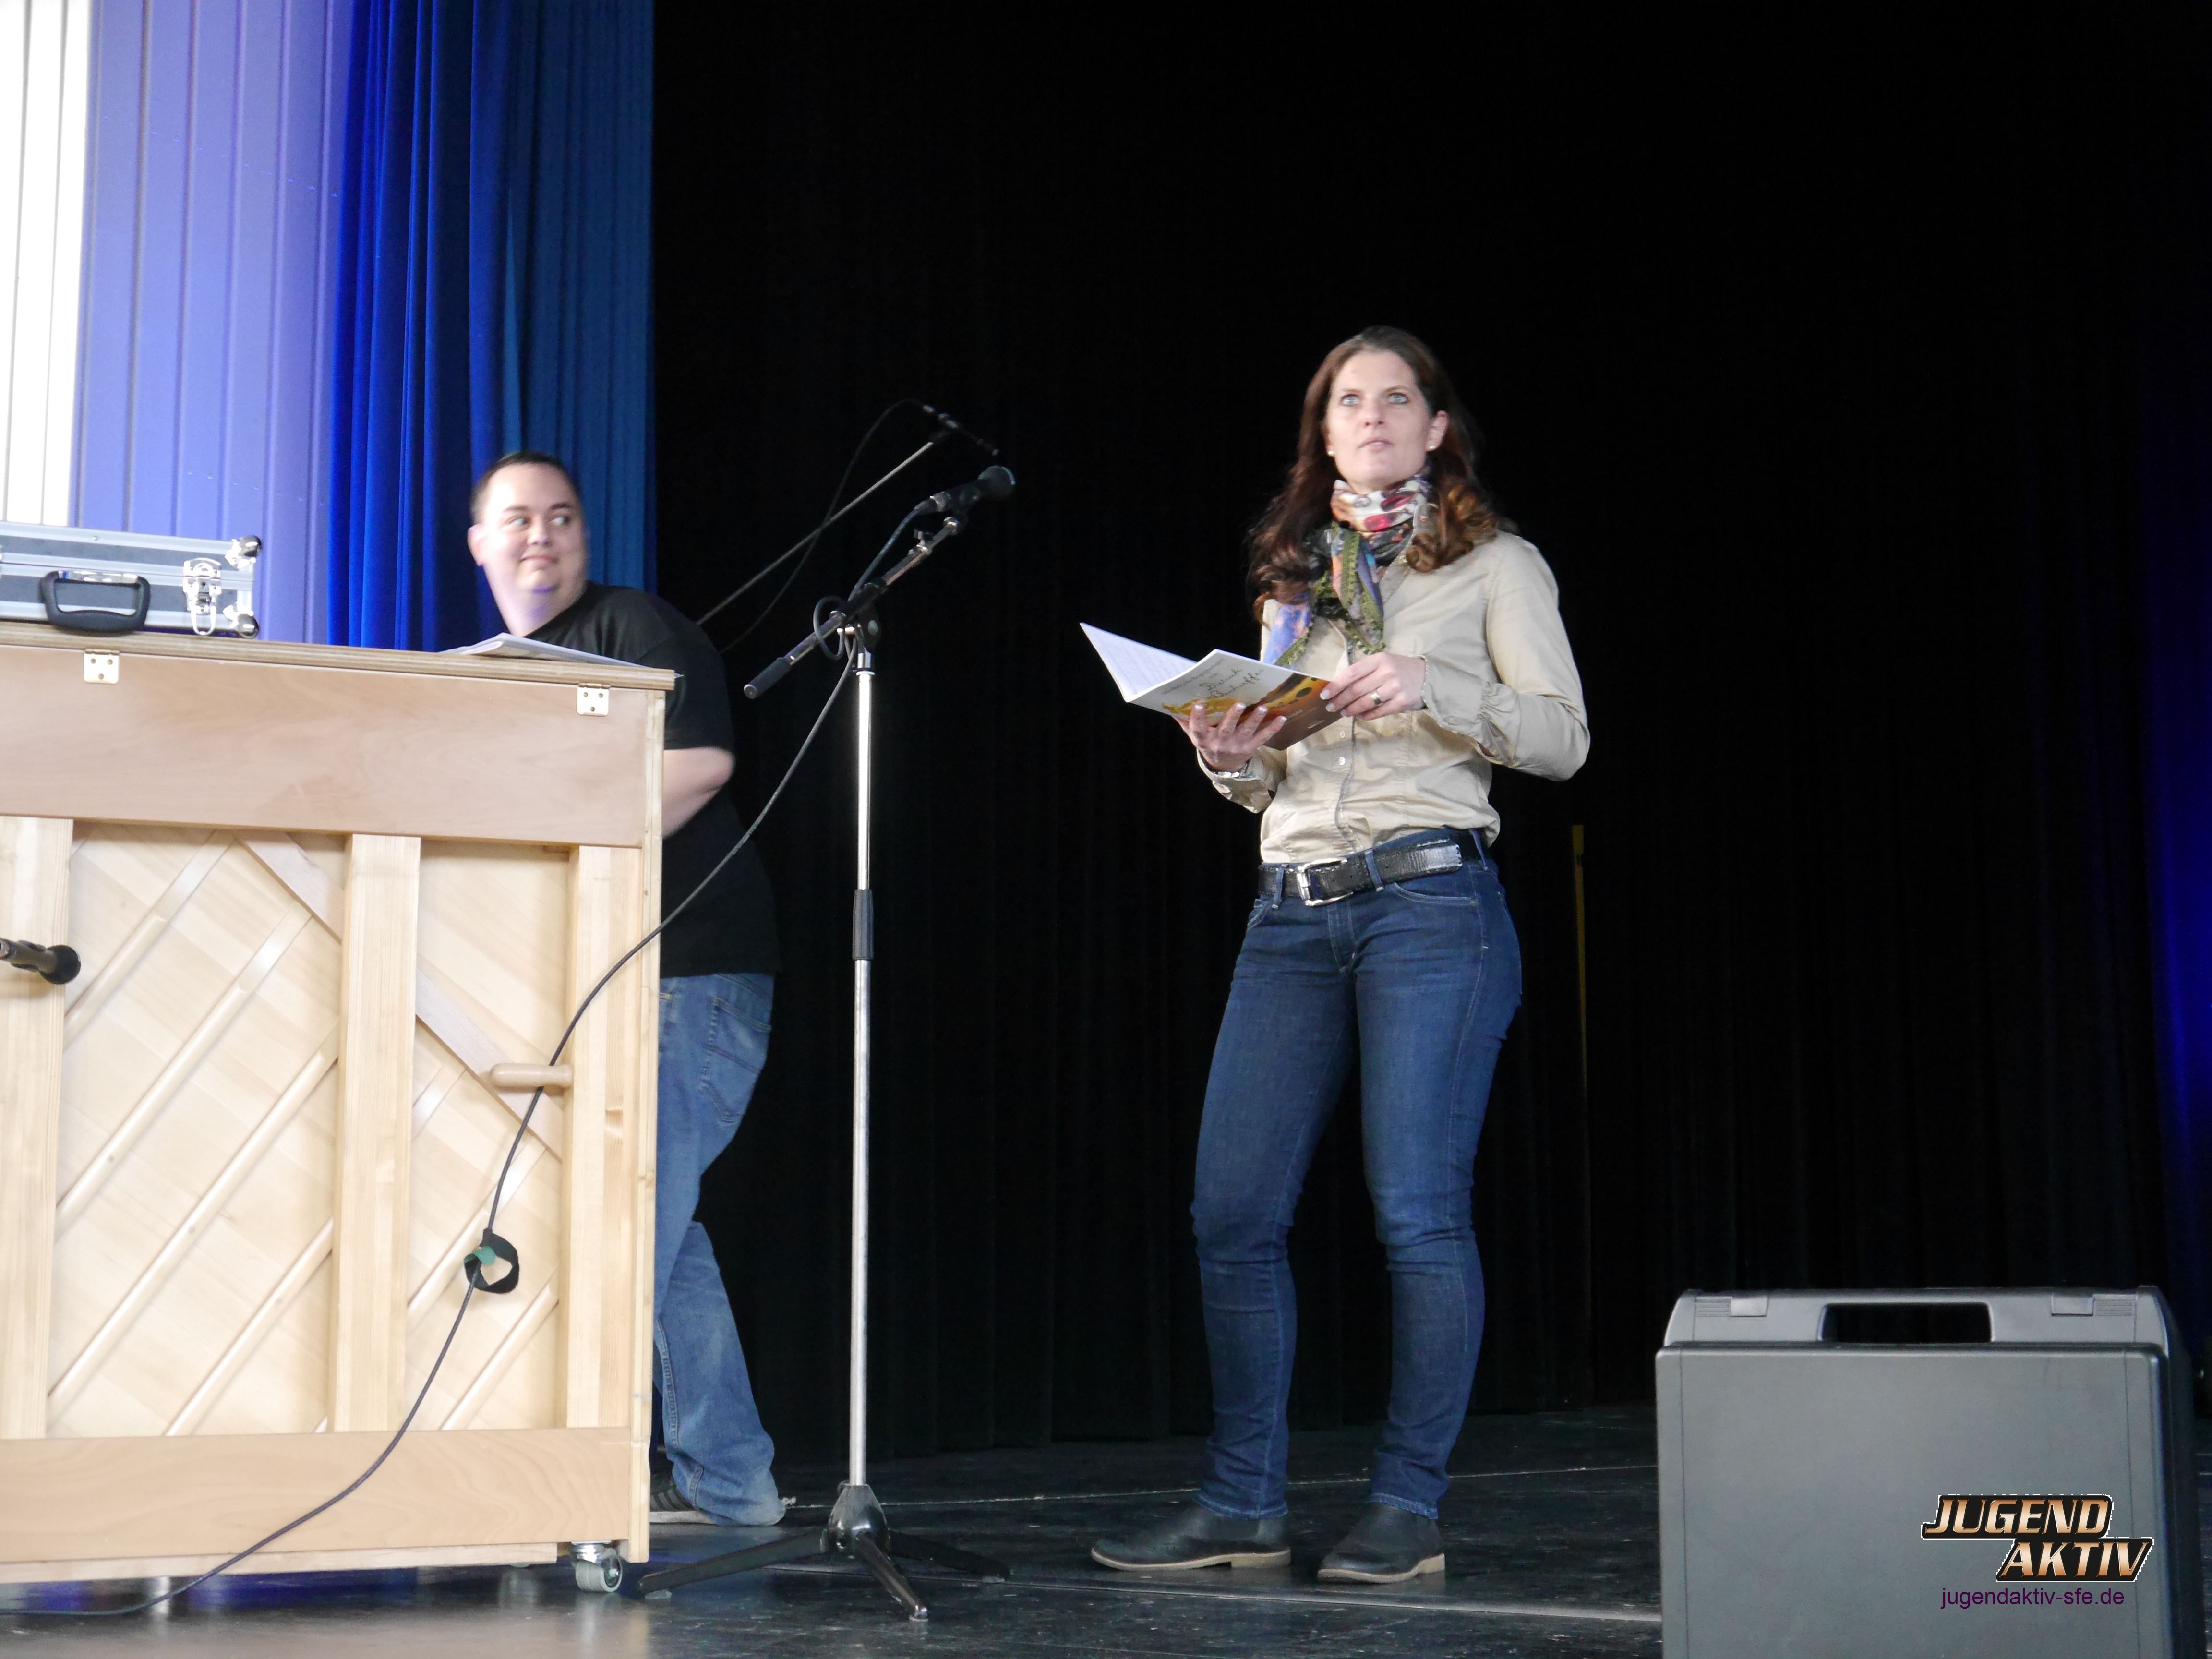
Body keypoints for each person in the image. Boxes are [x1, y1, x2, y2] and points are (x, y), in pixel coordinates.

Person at [1091, 329, 1588, 1583]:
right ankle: (1242, 1504)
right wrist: (1230, 755)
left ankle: (1407, 1507)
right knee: (1232, 1211)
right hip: (1292, 914)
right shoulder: (1294, 590)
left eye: (1395, 399)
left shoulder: (1497, 567)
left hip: (1430, 908)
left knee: (1416, 1211)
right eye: (1348, 402)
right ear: (1324, 436)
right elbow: (1270, 778)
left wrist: (1433, 685)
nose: (1371, 417)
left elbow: (1562, 738)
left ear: (1436, 428)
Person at [467, 451, 788, 1527]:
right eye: (518, 519)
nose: (541, 535)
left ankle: (563, 1485)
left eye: (561, 517)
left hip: (691, 977)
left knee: (620, 1232)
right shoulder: (494, 672)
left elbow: (700, 765)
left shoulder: (629, 627)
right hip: (610, 987)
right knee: (657, 1231)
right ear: (480, 544)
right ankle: (733, 1483)